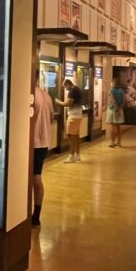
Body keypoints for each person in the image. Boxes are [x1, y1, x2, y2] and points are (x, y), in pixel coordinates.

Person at [31, 71, 54, 227]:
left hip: (34, 143)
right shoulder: (46, 95)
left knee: (35, 179)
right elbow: (51, 118)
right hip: (44, 142)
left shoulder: (31, 95)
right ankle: (36, 216)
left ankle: (33, 217)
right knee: (36, 177)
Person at [56, 78, 83, 163]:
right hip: (78, 115)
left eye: (65, 87)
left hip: (73, 116)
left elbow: (67, 103)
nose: (65, 89)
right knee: (76, 136)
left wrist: (58, 102)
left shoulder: (72, 91)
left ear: (68, 84)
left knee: (70, 135)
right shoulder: (77, 89)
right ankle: (77, 155)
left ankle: (71, 155)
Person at [105, 76, 125, 147]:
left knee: (112, 126)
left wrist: (116, 108)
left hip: (113, 110)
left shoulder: (112, 90)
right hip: (120, 110)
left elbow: (112, 100)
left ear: (113, 83)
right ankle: (119, 142)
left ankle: (112, 142)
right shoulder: (121, 91)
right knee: (119, 126)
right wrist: (119, 108)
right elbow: (123, 102)